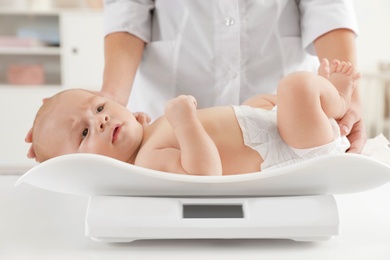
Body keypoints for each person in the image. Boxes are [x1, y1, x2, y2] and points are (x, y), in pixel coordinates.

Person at [101, 0, 366, 153]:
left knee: (296, 90)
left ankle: (337, 97)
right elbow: (127, 9)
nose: (99, 119)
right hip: (163, 106)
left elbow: (326, 6)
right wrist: (112, 99)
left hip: (291, 124)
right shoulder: (152, 152)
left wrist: (348, 99)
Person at [25, 59, 360, 176]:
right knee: (296, 85)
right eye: (83, 133)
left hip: (275, 128)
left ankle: (326, 99)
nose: (100, 120)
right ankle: (338, 98)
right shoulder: (146, 164)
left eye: (99, 108)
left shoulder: (146, 138)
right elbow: (204, 172)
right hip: (294, 149)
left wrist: (143, 125)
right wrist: (185, 120)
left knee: (260, 100)